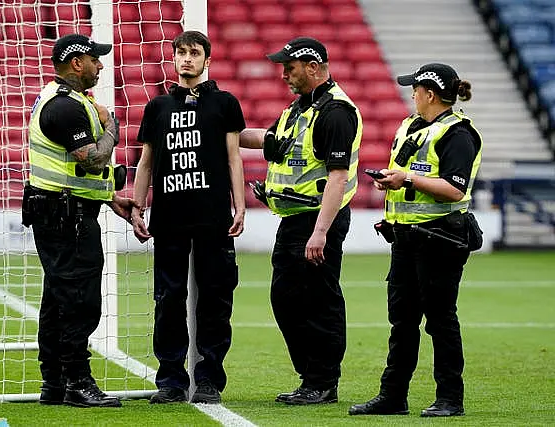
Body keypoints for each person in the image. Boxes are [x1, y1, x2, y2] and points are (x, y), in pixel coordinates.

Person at [348, 63, 482, 417]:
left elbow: (454, 189)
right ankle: (393, 396)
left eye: (416, 89)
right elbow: (413, 177)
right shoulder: (412, 126)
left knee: (440, 320)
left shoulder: (459, 134)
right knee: (403, 320)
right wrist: (391, 179)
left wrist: (406, 178)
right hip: (407, 240)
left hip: (441, 238)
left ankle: (450, 398)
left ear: (430, 94)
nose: (412, 94)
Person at [239, 37, 362, 405]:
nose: (283, 75)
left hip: (317, 220)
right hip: (295, 219)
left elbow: (338, 177)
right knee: (286, 298)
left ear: (312, 66)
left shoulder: (336, 112)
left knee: (318, 301)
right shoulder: (300, 109)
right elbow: (268, 140)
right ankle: (312, 377)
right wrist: (222, 128)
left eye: (288, 68)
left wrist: (320, 232)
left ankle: (322, 382)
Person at [130, 30, 246, 405]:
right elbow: (145, 161)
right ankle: (171, 380)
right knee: (168, 299)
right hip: (170, 217)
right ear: (174, 59)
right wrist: (137, 205)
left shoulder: (225, 103)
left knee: (214, 299)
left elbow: (233, 157)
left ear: (207, 60)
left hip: (213, 217)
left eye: (194, 53)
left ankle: (209, 378)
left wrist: (240, 205)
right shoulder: (158, 107)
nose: (186, 59)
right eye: (180, 53)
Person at [22, 33, 138, 408]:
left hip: (62, 212)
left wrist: (109, 198)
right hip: (66, 220)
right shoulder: (66, 108)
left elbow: (73, 174)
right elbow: (93, 160)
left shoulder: (64, 101)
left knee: (57, 299)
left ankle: (54, 382)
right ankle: (77, 381)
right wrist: (113, 126)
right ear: (76, 63)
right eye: (94, 59)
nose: (100, 65)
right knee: (78, 300)